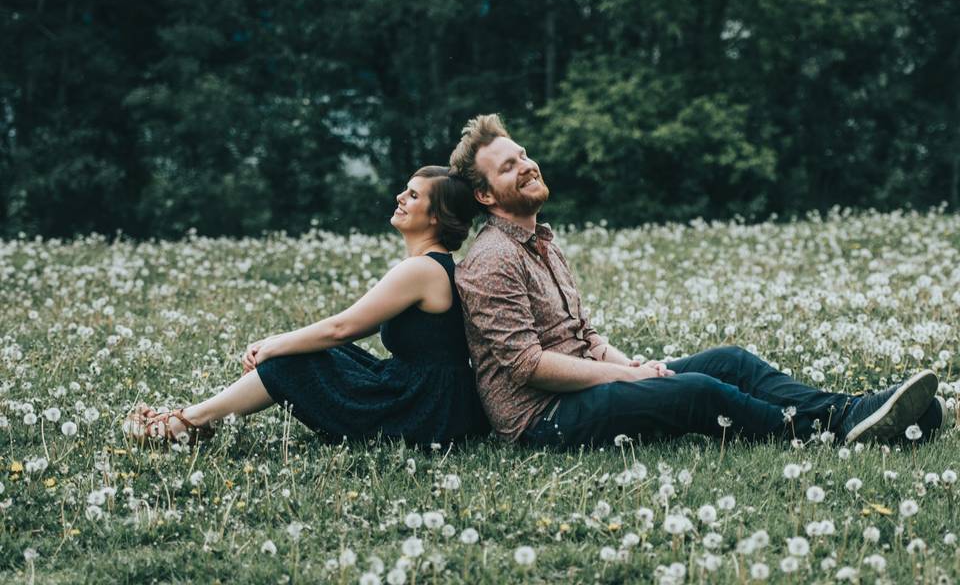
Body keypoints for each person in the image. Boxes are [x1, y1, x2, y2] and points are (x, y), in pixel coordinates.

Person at [449, 114, 946, 449]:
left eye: (523, 155)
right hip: (544, 418)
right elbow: (529, 366)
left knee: (728, 360)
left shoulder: (543, 240)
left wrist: (636, 364)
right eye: (508, 166)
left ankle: (855, 411)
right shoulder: (492, 259)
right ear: (485, 196)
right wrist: (632, 378)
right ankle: (831, 430)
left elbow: (584, 337)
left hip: (586, 385)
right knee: (698, 392)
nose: (527, 166)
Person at [124, 166, 490, 446]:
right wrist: (282, 341)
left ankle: (187, 423)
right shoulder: (433, 265)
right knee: (322, 354)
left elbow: (341, 328)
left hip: (423, 410)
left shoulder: (422, 269)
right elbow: (350, 332)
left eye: (412, 196)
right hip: (431, 398)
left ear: (435, 216)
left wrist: (273, 346)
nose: (399, 197)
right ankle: (193, 420)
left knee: (293, 360)